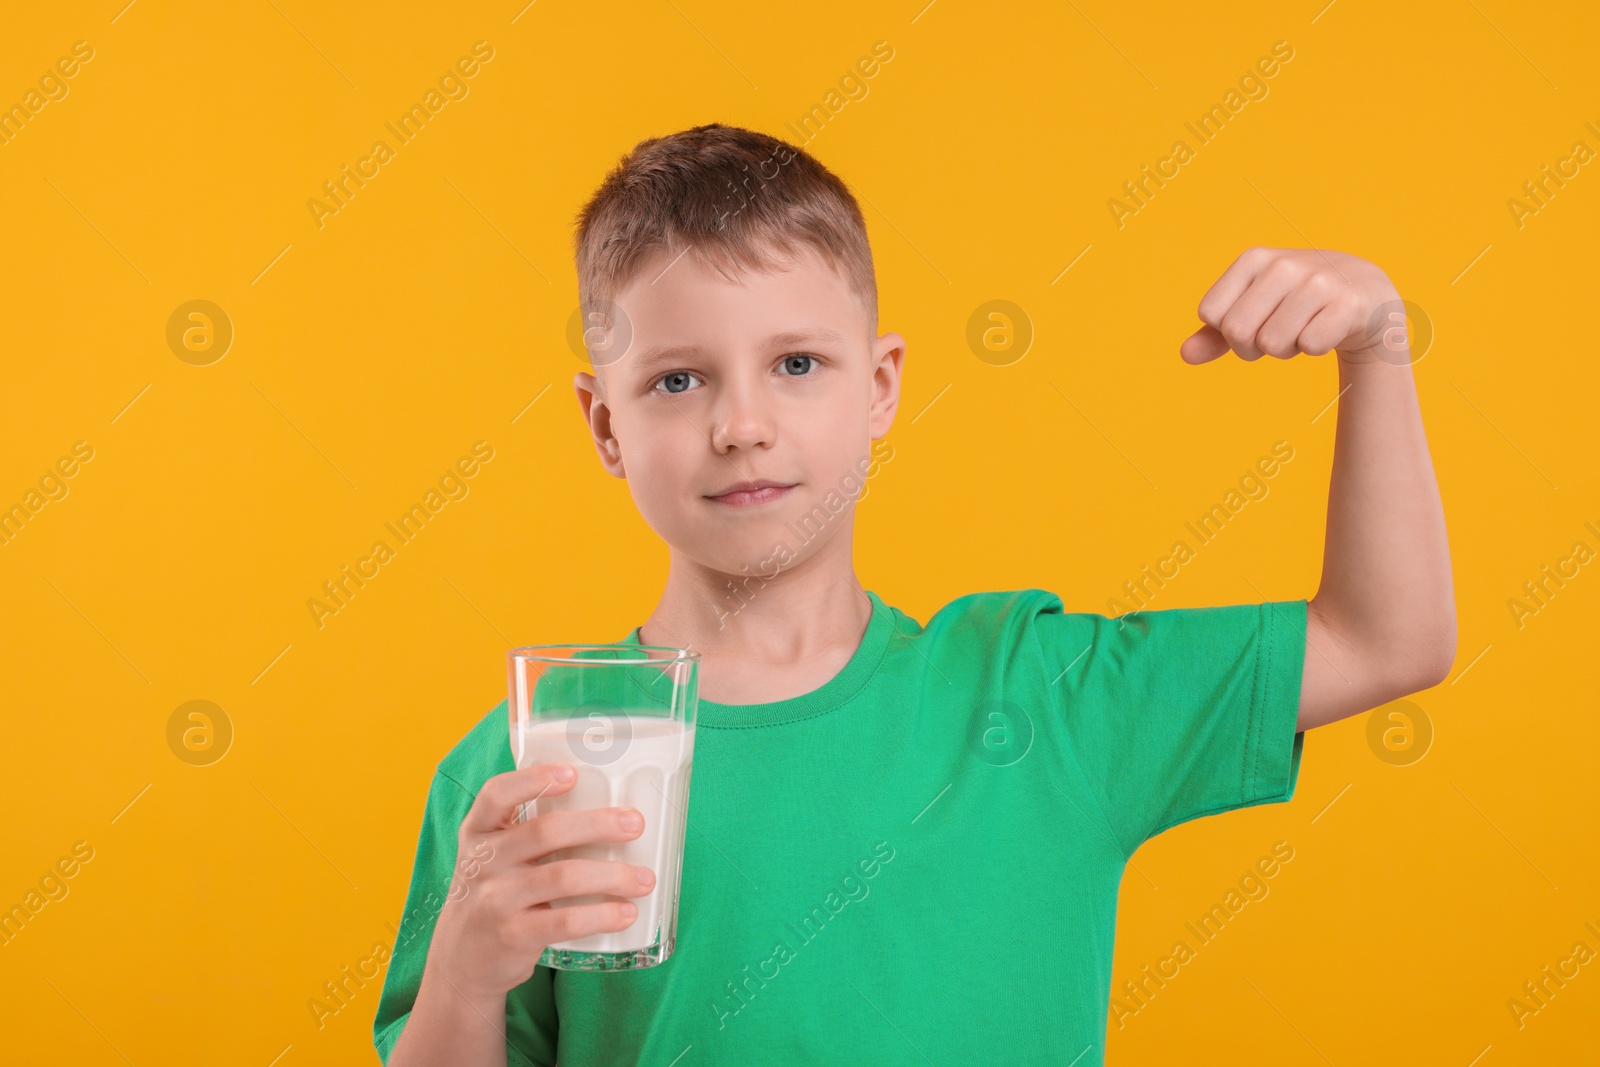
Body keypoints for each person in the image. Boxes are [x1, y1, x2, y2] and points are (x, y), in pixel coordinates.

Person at [373, 122, 1456, 1065]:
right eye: (676, 378)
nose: (741, 423)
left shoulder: (1042, 696)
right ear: (603, 424)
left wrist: (1378, 348)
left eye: (796, 363)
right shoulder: (533, 764)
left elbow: (1384, 638)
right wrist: (466, 976)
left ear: (882, 384)